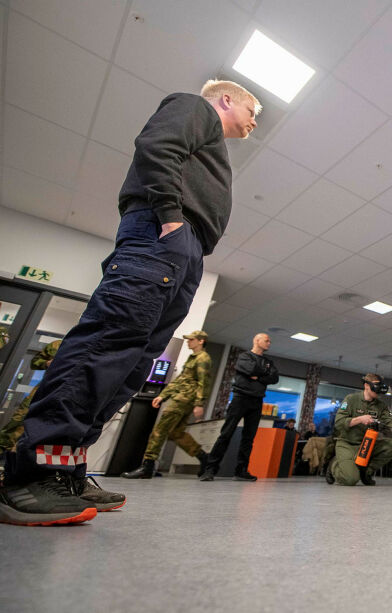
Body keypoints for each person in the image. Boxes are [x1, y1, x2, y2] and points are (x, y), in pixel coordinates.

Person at [0, 79, 260, 527]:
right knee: (108, 343)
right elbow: (157, 147)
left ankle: (67, 470)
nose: (255, 121)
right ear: (225, 99)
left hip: (186, 250)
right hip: (164, 237)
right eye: (253, 110)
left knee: (132, 361)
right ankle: (31, 474)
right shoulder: (194, 109)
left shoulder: (213, 141)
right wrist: (171, 219)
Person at [121, 331, 211, 479]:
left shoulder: (203, 358)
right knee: (176, 433)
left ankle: (147, 466)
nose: (188, 342)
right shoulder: (193, 358)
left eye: (192, 340)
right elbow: (181, 380)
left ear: (201, 341)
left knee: (160, 430)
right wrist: (163, 395)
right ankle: (204, 458)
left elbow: (204, 382)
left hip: (183, 400)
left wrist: (200, 403)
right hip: (181, 398)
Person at [200, 333, 278, 482]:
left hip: (257, 401)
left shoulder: (268, 361)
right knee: (226, 434)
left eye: (269, 340)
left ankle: (241, 471)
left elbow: (274, 378)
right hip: (240, 398)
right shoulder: (244, 357)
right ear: (256, 340)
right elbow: (251, 370)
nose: (269, 342)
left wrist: (259, 376)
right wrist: (264, 374)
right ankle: (210, 469)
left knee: (249, 438)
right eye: (266, 340)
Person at [329, 374, 392, 486]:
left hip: (368, 444)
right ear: (366, 386)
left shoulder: (381, 405)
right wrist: (359, 419)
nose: (378, 392)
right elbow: (339, 422)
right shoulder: (351, 399)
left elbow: (390, 420)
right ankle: (334, 466)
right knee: (350, 479)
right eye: (376, 386)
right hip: (347, 443)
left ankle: (366, 472)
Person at [0, 340, 61, 453]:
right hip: (43, 391)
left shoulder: (96, 350)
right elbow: (34, 362)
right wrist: (46, 363)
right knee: (18, 421)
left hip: (67, 397)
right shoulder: (58, 345)